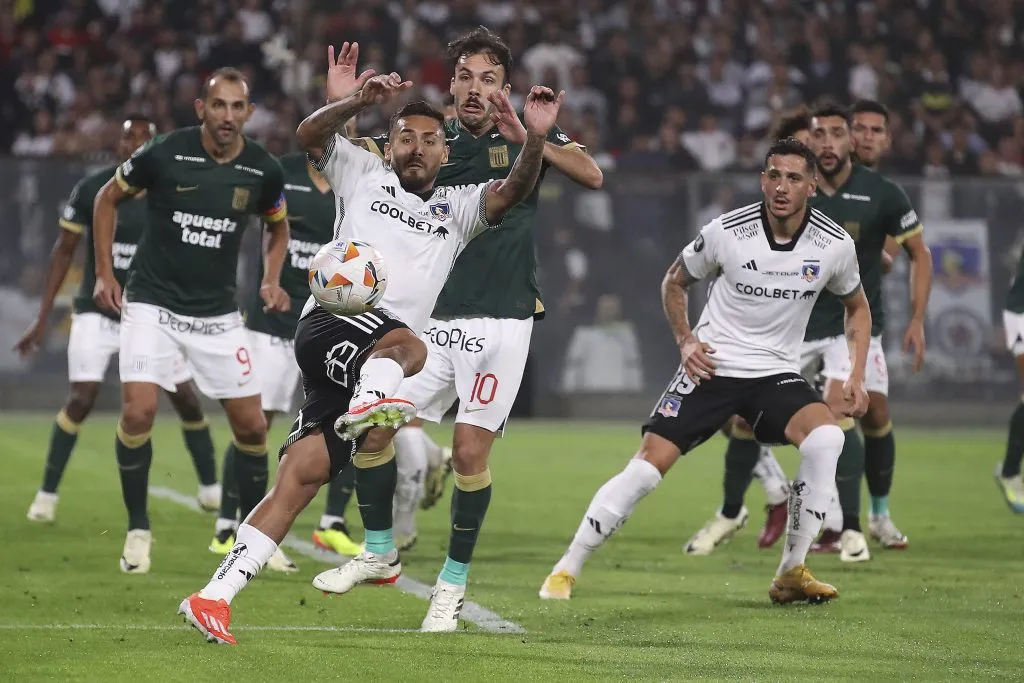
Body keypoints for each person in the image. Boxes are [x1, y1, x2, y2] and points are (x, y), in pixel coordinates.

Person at [178, 70, 564, 643]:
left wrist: (534, 138)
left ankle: (213, 596)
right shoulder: (363, 173)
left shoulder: (458, 211)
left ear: (443, 150)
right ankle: (372, 405)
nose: (417, 148)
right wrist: (354, 101)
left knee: (301, 475)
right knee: (412, 344)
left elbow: (511, 189)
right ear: (389, 145)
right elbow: (311, 137)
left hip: (365, 360)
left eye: (430, 141)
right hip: (332, 326)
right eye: (405, 137)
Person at [538, 137, 871, 604]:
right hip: (712, 366)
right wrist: (686, 340)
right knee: (647, 471)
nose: (781, 186)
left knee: (828, 438)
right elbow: (675, 280)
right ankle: (566, 568)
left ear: (811, 186)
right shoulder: (726, 231)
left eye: (793, 178)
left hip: (775, 374)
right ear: (762, 179)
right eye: (773, 175)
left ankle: (791, 572)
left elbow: (857, 307)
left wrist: (856, 374)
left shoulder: (833, 245)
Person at [313, 31, 603, 556]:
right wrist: (341, 102)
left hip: (499, 314)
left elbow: (592, 174)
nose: (475, 89)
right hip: (429, 323)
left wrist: (530, 140)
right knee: (376, 428)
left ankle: (437, 562)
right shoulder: (426, 141)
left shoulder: (523, 136)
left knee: (468, 453)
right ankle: (394, 531)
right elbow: (345, 158)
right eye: (465, 77)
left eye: (488, 80)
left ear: (504, 88)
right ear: (451, 83)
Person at [688, 103, 932, 562]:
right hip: (790, 328)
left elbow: (906, 253)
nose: (829, 142)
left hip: (846, 327)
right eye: (822, 134)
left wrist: (915, 315)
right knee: (738, 419)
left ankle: (858, 524)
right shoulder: (795, 188)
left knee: (855, 411)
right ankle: (736, 509)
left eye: (841, 134)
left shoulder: (878, 193)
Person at [92, 67, 292, 574]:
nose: (227, 116)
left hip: (217, 313)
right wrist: (103, 274)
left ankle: (252, 538)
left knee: (251, 428)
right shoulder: (164, 152)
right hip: (152, 303)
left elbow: (278, 227)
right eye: (218, 105)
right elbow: (105, 199)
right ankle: (138, 529)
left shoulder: (263, 169)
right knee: (138, 413)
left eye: (237, 107)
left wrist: (271, 277)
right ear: (201, 109)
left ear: (248, 113)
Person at [18, 116, 221, 524]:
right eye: (129, 135)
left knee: (185, 397)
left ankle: (210, 488)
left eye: (145, 138)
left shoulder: (173, 189)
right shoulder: (94, 189)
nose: (136, 143)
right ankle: (46, 494)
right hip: (98, 310)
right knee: (81, 398)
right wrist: (42, 318)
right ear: (119, 143)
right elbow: (63, 251)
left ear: (155, 145)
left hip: (153, 313)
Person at [209, 151, 345, 567]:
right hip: (272, 319)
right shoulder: (280, 174)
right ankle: (228, 524)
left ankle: (333, 523)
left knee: (344, 422)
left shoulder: (353, 182)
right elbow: (263, 227)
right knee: (256, 423)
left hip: (326, 322)